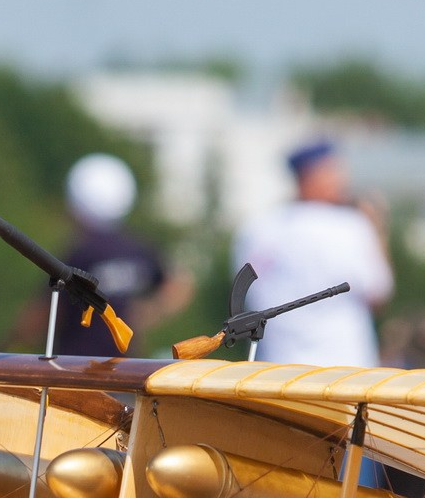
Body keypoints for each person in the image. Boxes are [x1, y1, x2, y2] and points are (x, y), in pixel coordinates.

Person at [231, 140, 394, 366]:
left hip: (278, 365)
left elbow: (244, 301)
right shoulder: (351, 226)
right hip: (347, 366)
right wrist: (377, 229)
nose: (342, 181)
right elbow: (378, 292)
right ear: (314, 175)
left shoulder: (260, 227)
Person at [37, 153, 194, 357]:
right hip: (124, 371)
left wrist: (9, 344)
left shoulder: (79, 253)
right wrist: (147, 314)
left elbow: (43, 313)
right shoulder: (137, 249)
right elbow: (180, 284)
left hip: (76, 370)